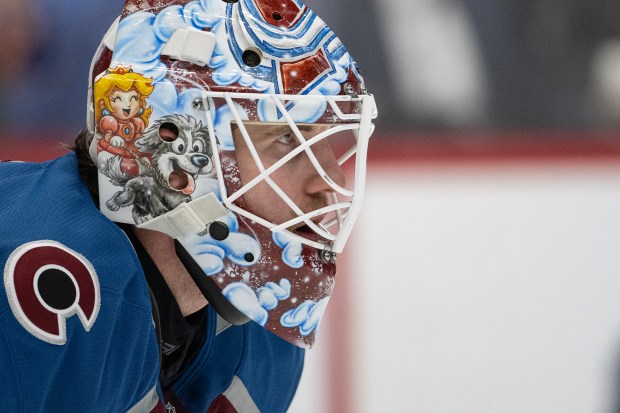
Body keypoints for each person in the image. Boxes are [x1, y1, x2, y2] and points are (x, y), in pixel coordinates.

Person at [0, 0, 377, 411]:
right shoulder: (38, 279)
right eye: (287, 139)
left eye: (322, 141)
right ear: (171, 160)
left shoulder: (263, 329)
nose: (330, 180)